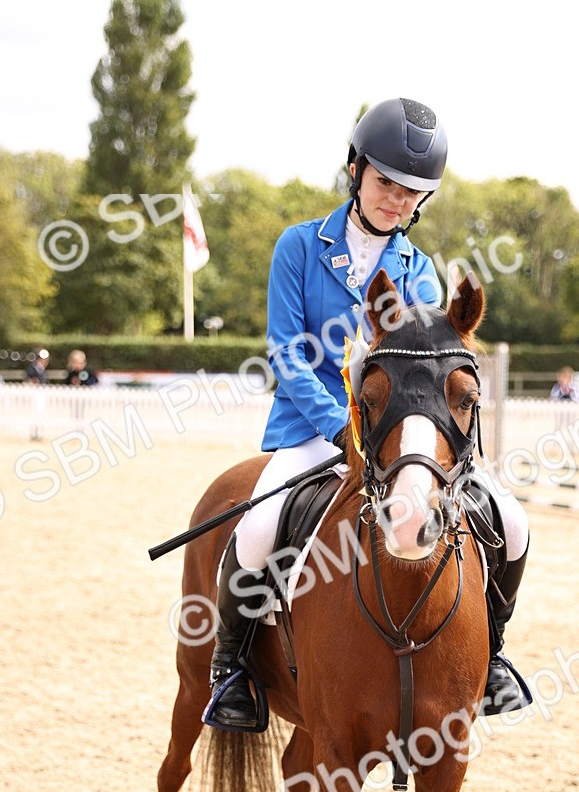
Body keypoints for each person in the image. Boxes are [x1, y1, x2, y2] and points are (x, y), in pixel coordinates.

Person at [207, 97, 531, 730]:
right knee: (254, 532)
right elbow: (287, 354)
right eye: (386, 182)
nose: (397, 199)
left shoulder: (420, 272)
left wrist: (399, 435)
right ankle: (233, 671)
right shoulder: (299, 246)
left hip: (399, 439)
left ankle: (490, 654)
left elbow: (430, 371)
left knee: (512, 525)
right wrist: (338, 424)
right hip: (313, 431)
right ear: (356, 170)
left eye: (412, 192)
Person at [26, 348, 50, 441]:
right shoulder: (32, 369)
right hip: (34, 394)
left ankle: (38, 433)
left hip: (41, 394)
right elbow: (32, 380)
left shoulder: (42, 370)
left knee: (40, 414)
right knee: (34, 413)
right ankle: (34, 434)